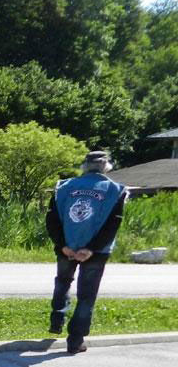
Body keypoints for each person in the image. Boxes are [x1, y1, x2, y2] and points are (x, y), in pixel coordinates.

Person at [46, 150, 127, 354]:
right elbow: (113, 224)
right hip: (97, 252)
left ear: (84, 166)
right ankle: (75, 341)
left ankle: (57, 318)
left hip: (66, 247)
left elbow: (52, 219)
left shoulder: (63, 187)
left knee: (63, 281)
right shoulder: (115, 190)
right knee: (86, 295)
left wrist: (62, 245)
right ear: (106, 166)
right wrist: (91, 249)